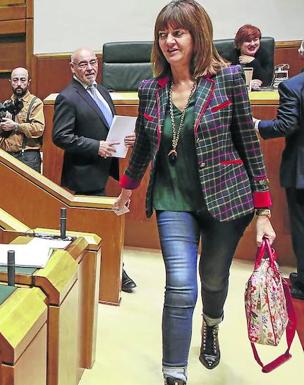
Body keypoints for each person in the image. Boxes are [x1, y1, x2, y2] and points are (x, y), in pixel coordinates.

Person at [112, 2, 276, 384]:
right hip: (173, 199)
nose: (168, 41)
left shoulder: (229, 79)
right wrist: (126, 191)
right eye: (162, 33)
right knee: (181, 285)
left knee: (213, 279)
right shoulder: (150, 89)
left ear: (197, 35)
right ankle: (174, 373)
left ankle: (212, 324)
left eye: (178, 32)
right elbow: (142, 148)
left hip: (226, 199)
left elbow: (248, 144)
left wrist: (263, 212)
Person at [52, 47, 137, 293]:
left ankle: (109, 272)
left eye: (93, 62)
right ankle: (114, 274)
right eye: (82, 64)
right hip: (83, 174)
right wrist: (95, 146)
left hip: (104, 168)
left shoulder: (102, 91)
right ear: (73, 68)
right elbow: (61, 136)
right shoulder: (68, 97)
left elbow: (107, 125)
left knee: (103, 225)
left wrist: (125, 138)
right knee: (100, 227)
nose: (89, 68)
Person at [255, 71, 304, 299]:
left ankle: (303, 283)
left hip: (301, 171)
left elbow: (286, 125)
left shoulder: (293, 85)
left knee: (302, 228)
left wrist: (257, 125)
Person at [0, 67, 44, 172]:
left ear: (29, 82)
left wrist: (16, 126)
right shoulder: (6, 103)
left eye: (23, 80)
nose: (19, 83)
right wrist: (2, 128)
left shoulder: (36, 103)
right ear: (10, 82)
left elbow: (39, 129)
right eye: (15, 80)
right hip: (7, 154)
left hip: (28, 156)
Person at [233, 24, 273, 89]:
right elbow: (228, 82)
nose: (252, 44)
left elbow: (268, 82)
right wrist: (248, 84)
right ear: (239, 43)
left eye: (255, 40)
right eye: (248, 41)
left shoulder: (264, 53)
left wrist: (253, 61)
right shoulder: (230, 56)